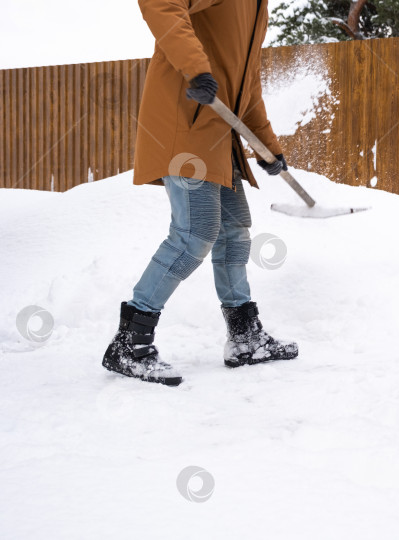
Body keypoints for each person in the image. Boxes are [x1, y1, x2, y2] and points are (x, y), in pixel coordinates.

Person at [102, 0, 298, 386]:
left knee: (234, 232)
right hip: (186, 126)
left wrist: (267, 146)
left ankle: (244, 336)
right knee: (196, 232)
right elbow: (161, 4)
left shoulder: (258, 9)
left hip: (217, 136)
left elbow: (247, 87)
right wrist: (196, 69)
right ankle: (131, 342)